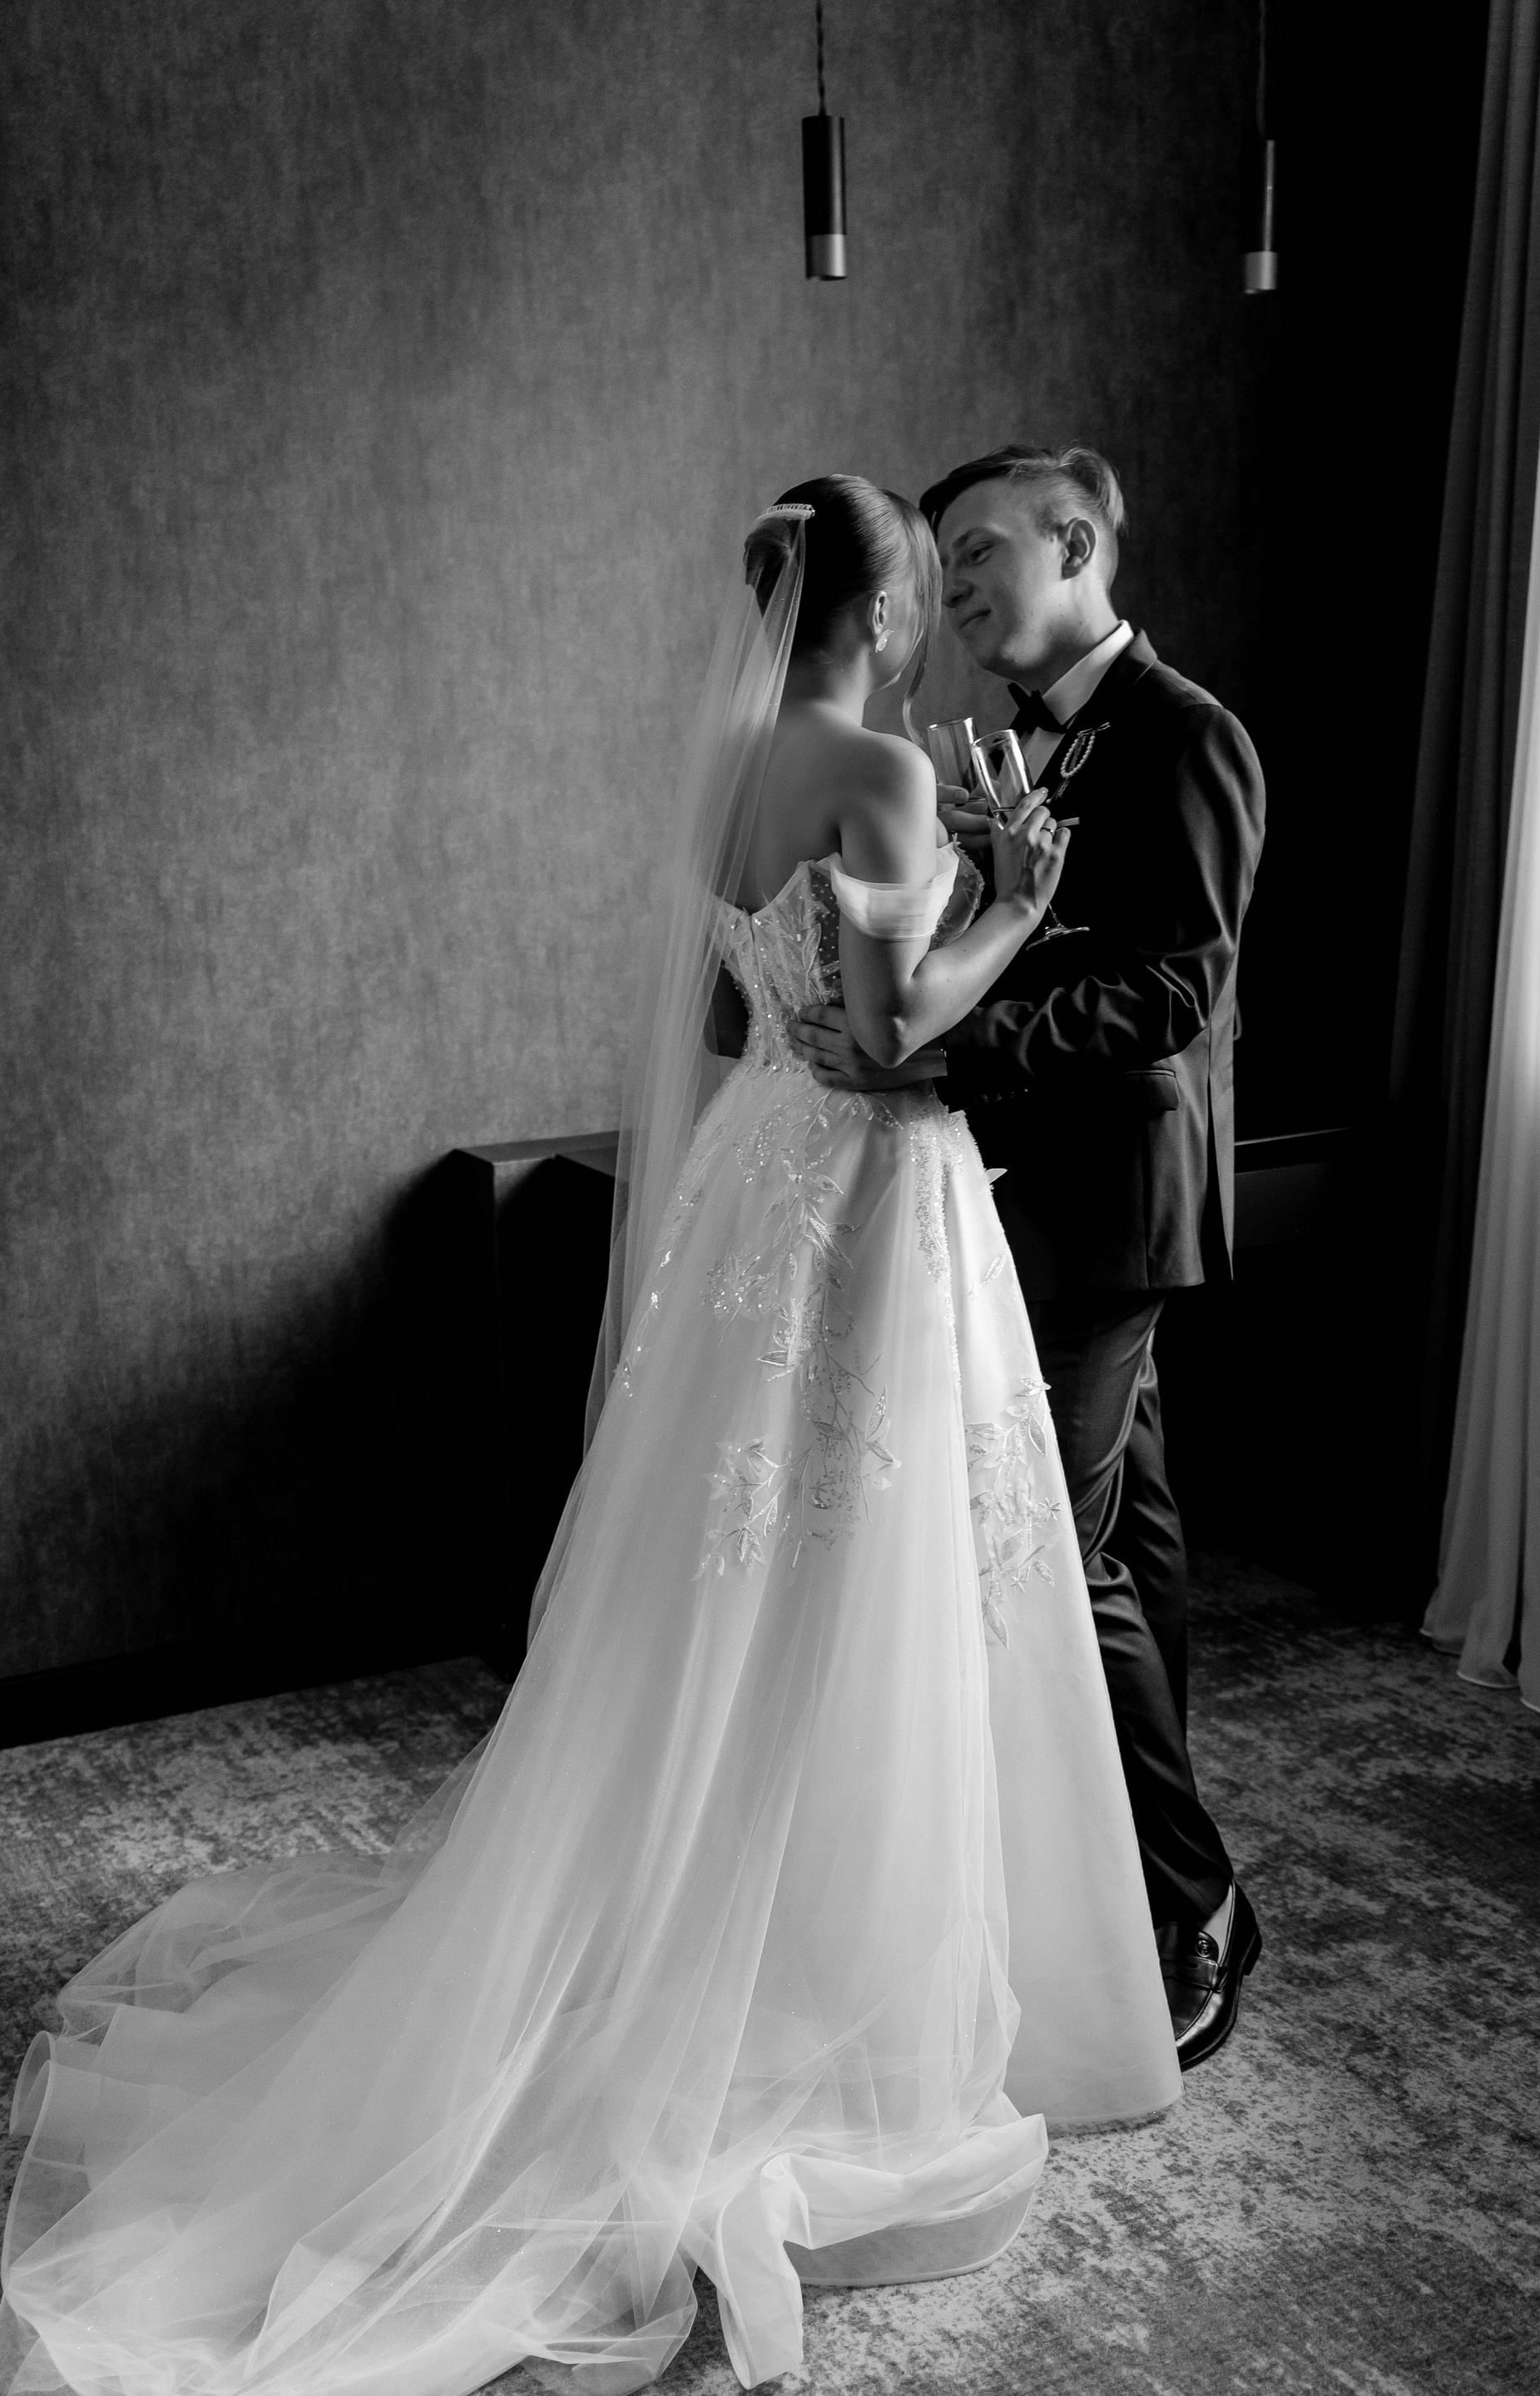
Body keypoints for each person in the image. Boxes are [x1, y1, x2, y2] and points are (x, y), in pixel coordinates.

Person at [0, 478, 1180, 2396]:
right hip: (869, 1199)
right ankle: (835, 1966)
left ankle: (731, 1916)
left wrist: (893, 940)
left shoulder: (730, 769)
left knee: (744, 1588)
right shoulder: (880, 770)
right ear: (887, 612)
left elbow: (742, 1019)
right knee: (868, 1578)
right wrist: (1016, 905)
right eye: (928, 586)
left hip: (760, 1180)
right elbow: (897, 1038)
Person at [795, 445, 1267, 2070]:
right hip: (1006, 1189)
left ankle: (1189, 1907)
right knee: (1131, 1548)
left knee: (1052, 1559)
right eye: (944, 563)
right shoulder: (990, 743)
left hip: (1114, 1201)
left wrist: (943, 1054)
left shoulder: (1190, 738)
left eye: (983, 550)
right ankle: (1122, 1888)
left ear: (1077, 542)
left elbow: (1171, 994)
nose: (961, 591)